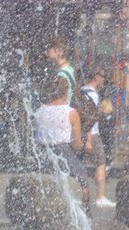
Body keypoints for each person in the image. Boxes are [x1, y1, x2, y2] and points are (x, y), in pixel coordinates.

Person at [33, 76, 92, 214]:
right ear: (65, 92)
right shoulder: (70, 113)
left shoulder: (39, 112)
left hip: (42, 154)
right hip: (63, 154)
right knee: (83, 180)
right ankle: (86, 215)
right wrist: (83, 144)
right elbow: (76, 145)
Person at [77, 68, 113, 208]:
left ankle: (83, 196)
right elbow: (90, 118)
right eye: (103, 76)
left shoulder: (81, 91)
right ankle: (100, 196)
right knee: (101, 163)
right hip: (92, 133)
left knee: (81, 165)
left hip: (81, 133)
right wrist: (89, 139)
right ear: (96, 77)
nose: (104, 79)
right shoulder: (94, 95)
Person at [45, 36, 77, 105]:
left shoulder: (62, 74)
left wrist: (46, 108)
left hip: (62, 114)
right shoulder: (70, 68)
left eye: (49, 49)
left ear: (60, 51)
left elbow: (63, 100)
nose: (46, 53)